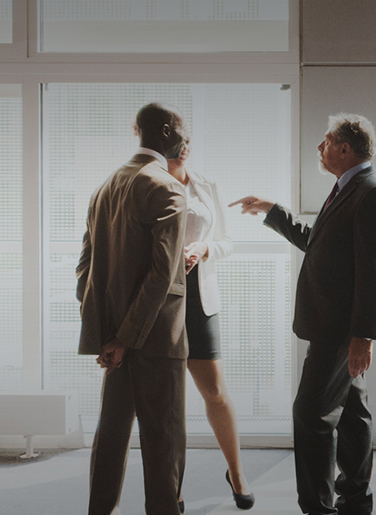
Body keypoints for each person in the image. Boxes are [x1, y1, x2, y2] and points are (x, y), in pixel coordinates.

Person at [232, 113, 376, 515]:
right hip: (333, 326)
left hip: (340, 331)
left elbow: (374, 272)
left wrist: (363, 337)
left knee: (310, 415)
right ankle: (355, 500)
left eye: (325, 141)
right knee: (353, 414)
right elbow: (317, 242)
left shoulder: (371, 192)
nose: (319, 148)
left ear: (345, 148)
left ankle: (318, 508)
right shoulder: (346, 188)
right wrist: (273, 210)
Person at [79, 102, 190, 515]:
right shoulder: (166, 187)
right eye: (182, 128)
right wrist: (126, 338)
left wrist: (108, 334)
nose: (186, 136)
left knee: (110, 436)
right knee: (163, 441)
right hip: (157, 339)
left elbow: (85, 269)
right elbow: (163, 275)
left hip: (116, 340)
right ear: (165, 132)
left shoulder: (106, 186)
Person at [166, 142, 255, 511]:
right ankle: (172, 485)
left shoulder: (205, 184)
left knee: (215, 391)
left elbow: (227, 242)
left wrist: (203, 249)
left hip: (199, 300)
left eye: (186, 143)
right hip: (159, 303)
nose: (182, 149)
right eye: (175, 143)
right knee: (168, 401)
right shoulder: (147, 182)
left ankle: (235, 472)